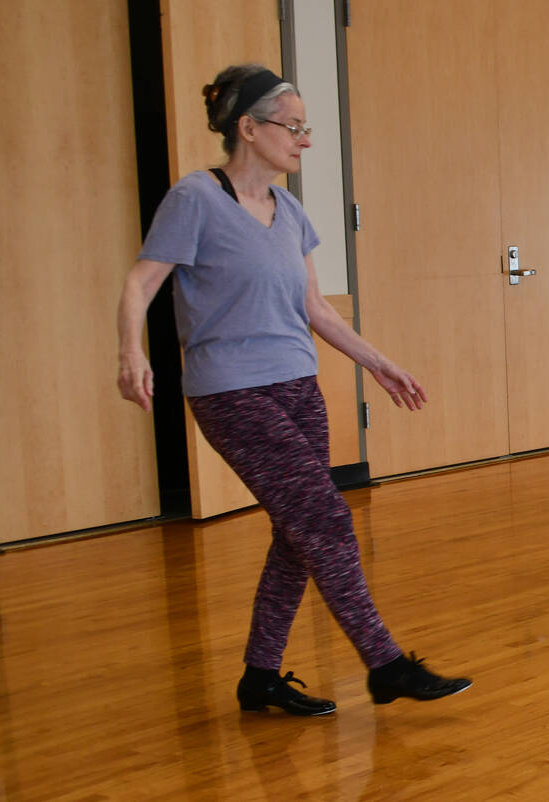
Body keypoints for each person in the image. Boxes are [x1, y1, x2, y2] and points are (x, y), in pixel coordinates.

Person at [115, 65, 469, 717]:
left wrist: (377, 362)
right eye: (294, 126)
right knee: (326, 519)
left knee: (295, 531)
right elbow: (141, 282)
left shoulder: (291, 212)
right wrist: (130, 351)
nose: (305, 140)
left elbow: (317, 309)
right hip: (230, 392)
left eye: (307, 127)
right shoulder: (196, 198)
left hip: (298, 388)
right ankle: (385, 664)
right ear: (248, 128)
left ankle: (260, 677)